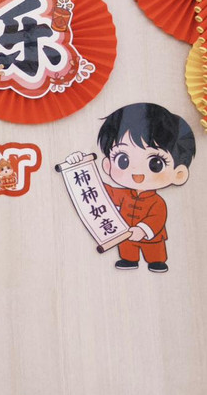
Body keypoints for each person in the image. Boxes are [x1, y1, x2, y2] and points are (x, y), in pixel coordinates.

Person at [65, 103, 196, 273]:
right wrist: (80, 166)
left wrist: (143, 229)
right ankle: (129, 259)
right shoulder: (122, 193)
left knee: (155, 250)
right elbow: (101, 192)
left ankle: (157, 262)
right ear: (108, 165)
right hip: (125, 232)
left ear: (178, 174)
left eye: (155, 163)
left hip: (151, 237)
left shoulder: (157, 202)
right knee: (127, 247)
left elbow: (157, 218)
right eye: (123, 160)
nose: (137, 174)